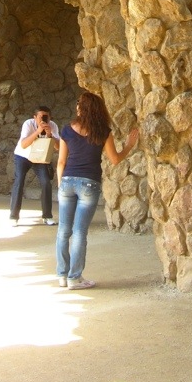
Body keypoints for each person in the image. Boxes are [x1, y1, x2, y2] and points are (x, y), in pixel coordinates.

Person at [56, 91, 138, 290]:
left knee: (63, 230)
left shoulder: (67, 130)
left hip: (67, 181)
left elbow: (61, 161)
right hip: (88, 184)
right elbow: (115, 159)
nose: (76, 106)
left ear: (81, 108)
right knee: (79, 232)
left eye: (78, 103)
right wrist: (128, 145)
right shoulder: (103, 132)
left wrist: (61, 185)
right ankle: (75, 278)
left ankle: (62, 275)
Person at [9, 105, 60, 227]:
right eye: (40, 117)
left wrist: (50, 135)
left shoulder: (53, 126)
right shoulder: (28, 124)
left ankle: (47, 216)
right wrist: (37, 131)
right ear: (35, 117)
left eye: (46, 117)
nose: (43, 119)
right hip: (23, 156)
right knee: (19, 181)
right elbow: (24, 144)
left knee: (46, 182)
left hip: (40, 157)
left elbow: (58, 148)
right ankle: (14, 216)